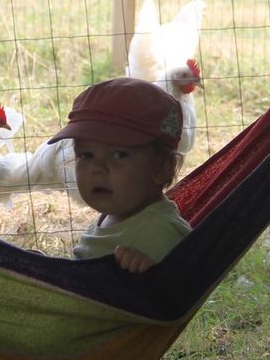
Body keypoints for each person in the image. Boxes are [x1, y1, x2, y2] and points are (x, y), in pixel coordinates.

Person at [47, 77, 191, 272]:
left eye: (119, 155)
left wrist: (152, 276)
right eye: (86, 155)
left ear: (161, 168)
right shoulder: (114, 216)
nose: (97, 168)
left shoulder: (160, 232)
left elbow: (187, 286)